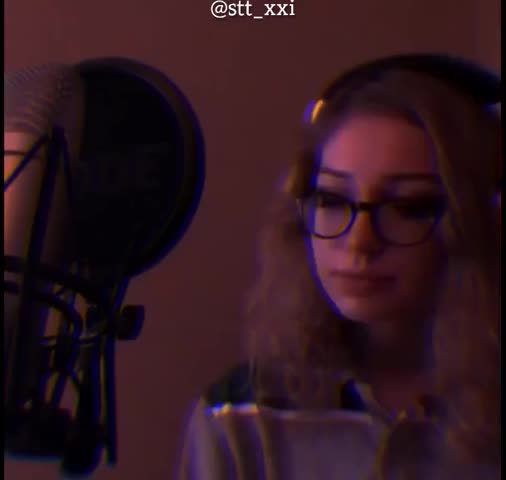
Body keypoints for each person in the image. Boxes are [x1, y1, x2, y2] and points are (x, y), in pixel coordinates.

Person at [176, 54, 501, 479]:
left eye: (408, 206)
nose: (360, 241)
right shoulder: (240, 417)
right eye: (331, 200)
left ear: (479, 220)